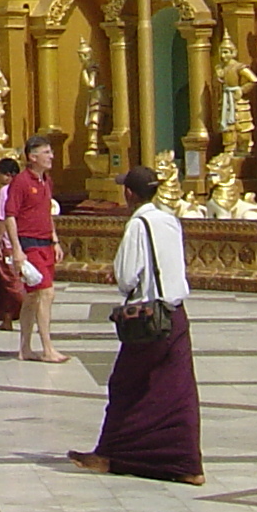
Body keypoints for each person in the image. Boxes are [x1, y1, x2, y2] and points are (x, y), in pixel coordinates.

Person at [72, 166, 203, 487]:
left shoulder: (138, 224)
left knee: (126, 386)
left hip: (150, 319)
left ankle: (107, 455)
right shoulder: (170, 219)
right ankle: (186, 463)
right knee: (177, 390)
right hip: (176, 315)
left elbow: (128, 275)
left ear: (129, 193)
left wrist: (119, 275)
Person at [2, 134, 68, 363]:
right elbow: (10, 215)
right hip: (28, 243)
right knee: (46, 293)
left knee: (31, 298)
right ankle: (48, 347)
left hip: (45, 243)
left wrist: (55, 239)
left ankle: (25, 348)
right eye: (47, 152)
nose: (51, 156)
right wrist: (17, 249)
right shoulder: (21, 182)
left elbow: (46, 213)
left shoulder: (46, 181)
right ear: (32, 157)